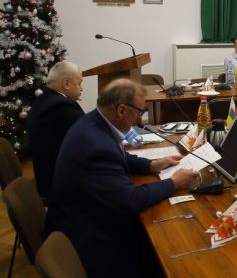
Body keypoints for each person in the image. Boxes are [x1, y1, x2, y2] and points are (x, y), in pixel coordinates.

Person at [45, 79, 197, 278]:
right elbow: (130, 200)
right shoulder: (96, 146)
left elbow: (118, 155)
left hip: (83, 215)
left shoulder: (93, 122)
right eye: (140, 112)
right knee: (170, 248)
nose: (139, 120)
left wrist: (152, 165)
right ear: (122, 110)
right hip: (90, 239)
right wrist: (173, 182)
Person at [26, 61, 85, 199]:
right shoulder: (60, 106)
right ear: (66, 84)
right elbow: (93, 136)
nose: (82, 89)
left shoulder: (46, 99)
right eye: (79, 83)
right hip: (61, 185)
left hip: (50, 176)